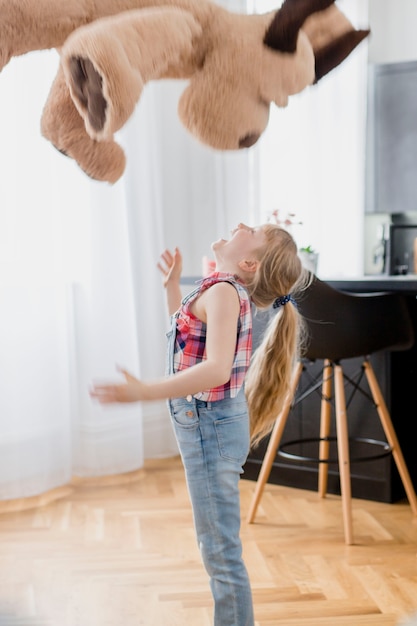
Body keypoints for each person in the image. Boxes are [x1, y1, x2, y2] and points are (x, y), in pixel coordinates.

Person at [90, 222, 309, 626]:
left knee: (220, 552)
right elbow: (186, 334)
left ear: (248, 261)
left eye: (254, 229)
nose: (242, 225)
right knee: (217, 546)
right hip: (209, 426)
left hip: (210, 428)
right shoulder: (221, 288)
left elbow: (215, 370)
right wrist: (171, 286)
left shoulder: (226, 293)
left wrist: (144, 392)